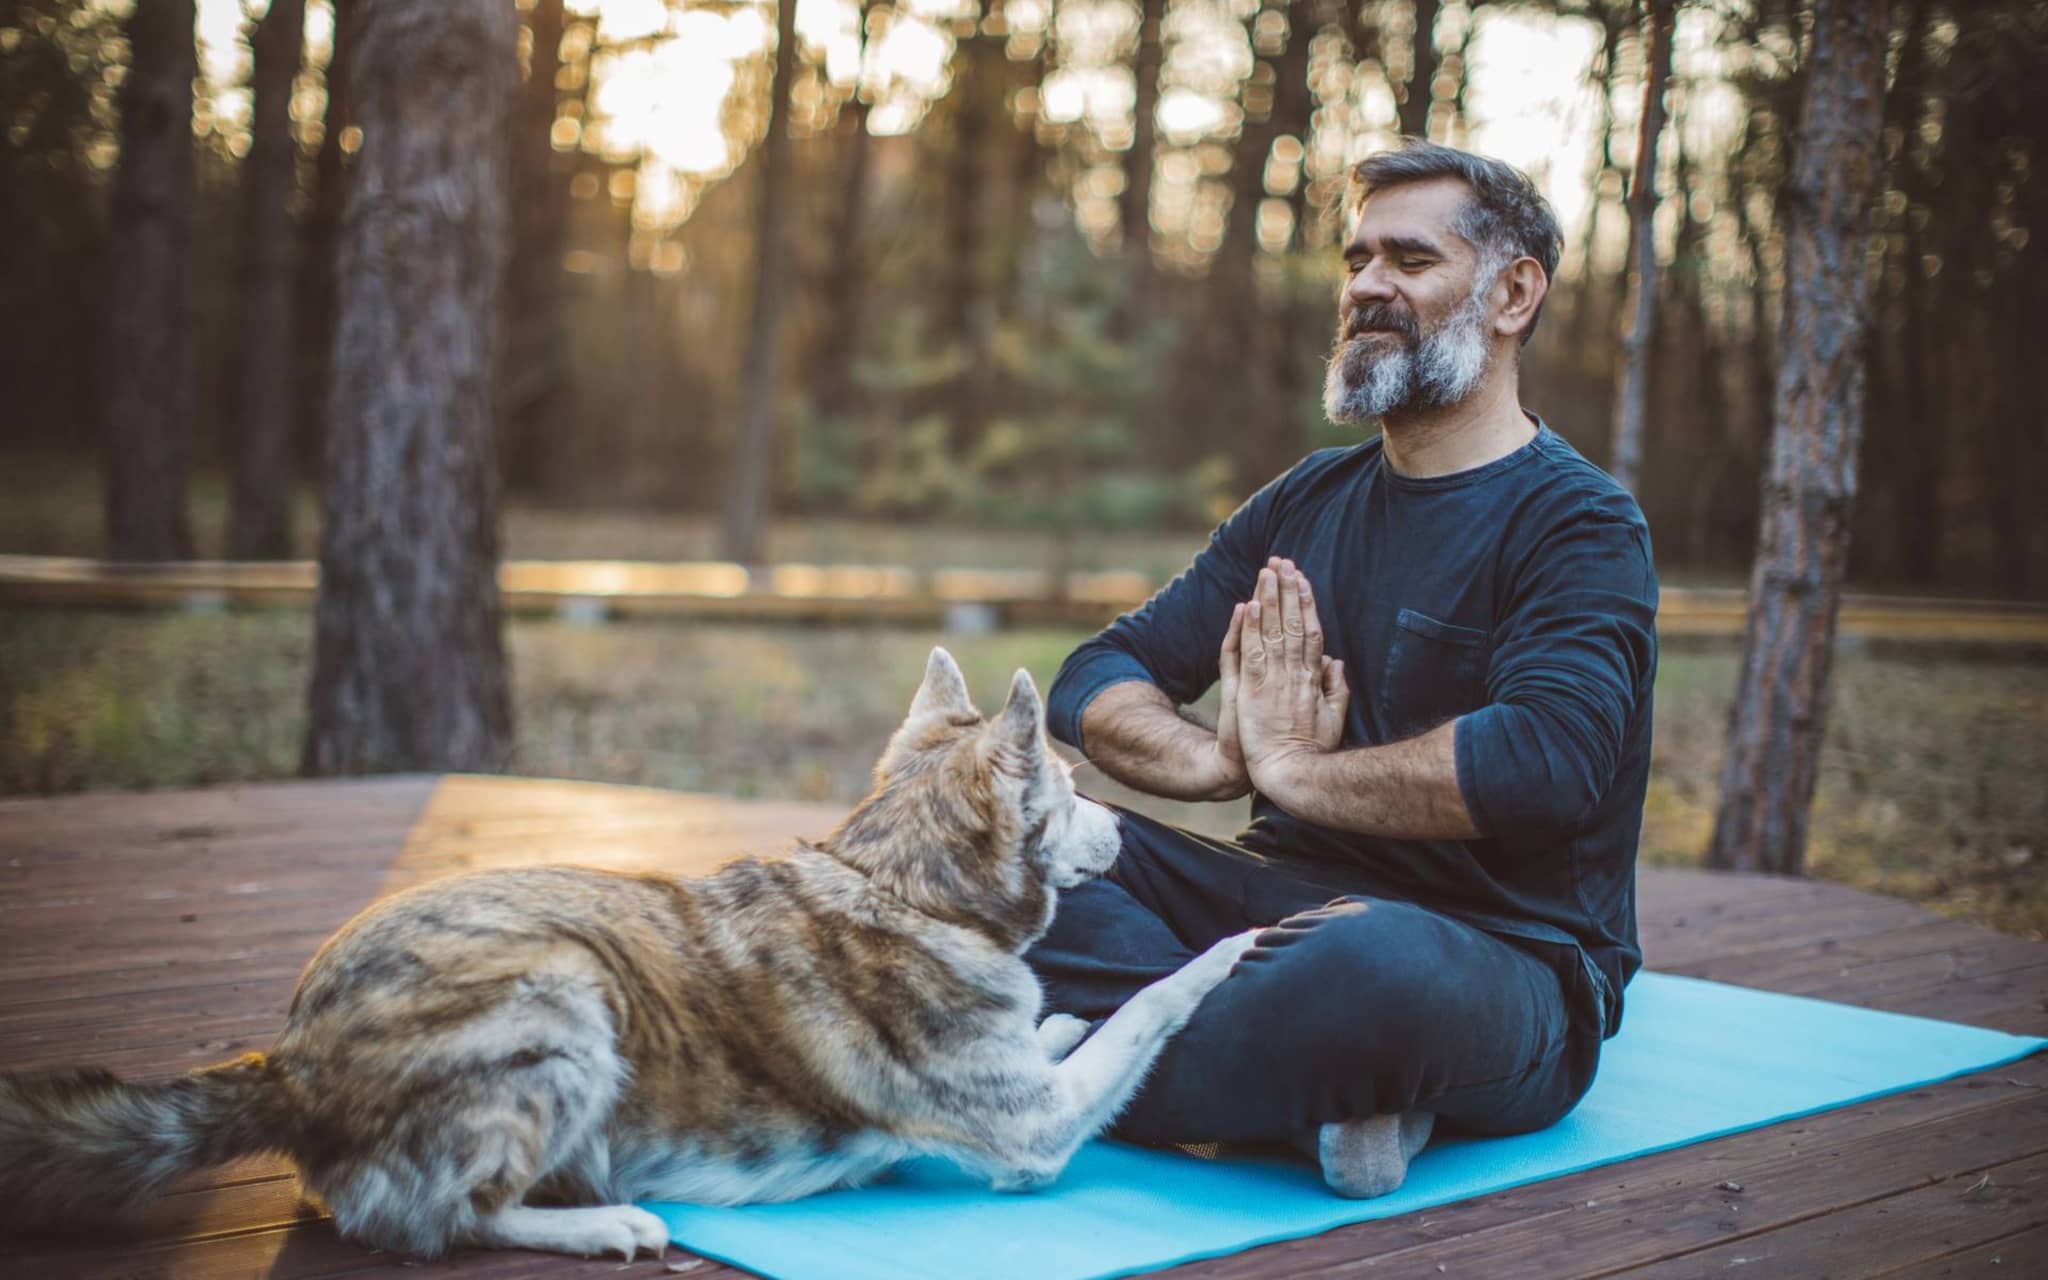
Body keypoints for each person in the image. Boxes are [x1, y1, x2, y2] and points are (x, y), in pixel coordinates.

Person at [1025, 139, 1659, 1198]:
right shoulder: (1304, 500)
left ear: (1511, 293)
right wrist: (1211, 760)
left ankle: (1062, 1059)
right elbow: (1096, 672)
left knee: (1366, 967)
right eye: (1356, 259)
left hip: (1497, 956)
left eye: (1408, 261)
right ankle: (1280, 1104)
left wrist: (1296, 772)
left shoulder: (1581, 522)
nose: (1366, 285)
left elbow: (1545, 761)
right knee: (1009, 848)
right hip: (1267, 912)